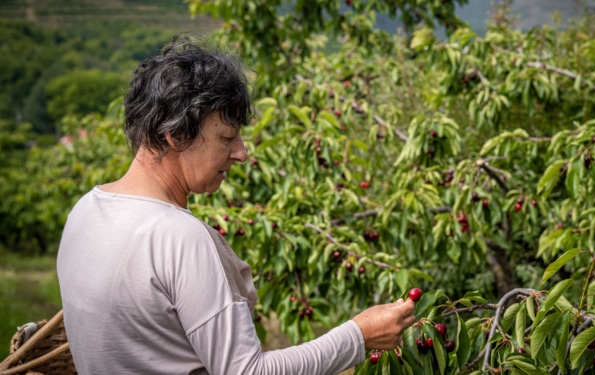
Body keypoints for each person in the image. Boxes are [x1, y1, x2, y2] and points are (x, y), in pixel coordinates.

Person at [56, 36, 416, 374]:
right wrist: (357, 336)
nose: (242, 153)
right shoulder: (179, 238)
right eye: (227, 138)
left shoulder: (85, 212)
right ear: (176, 135)